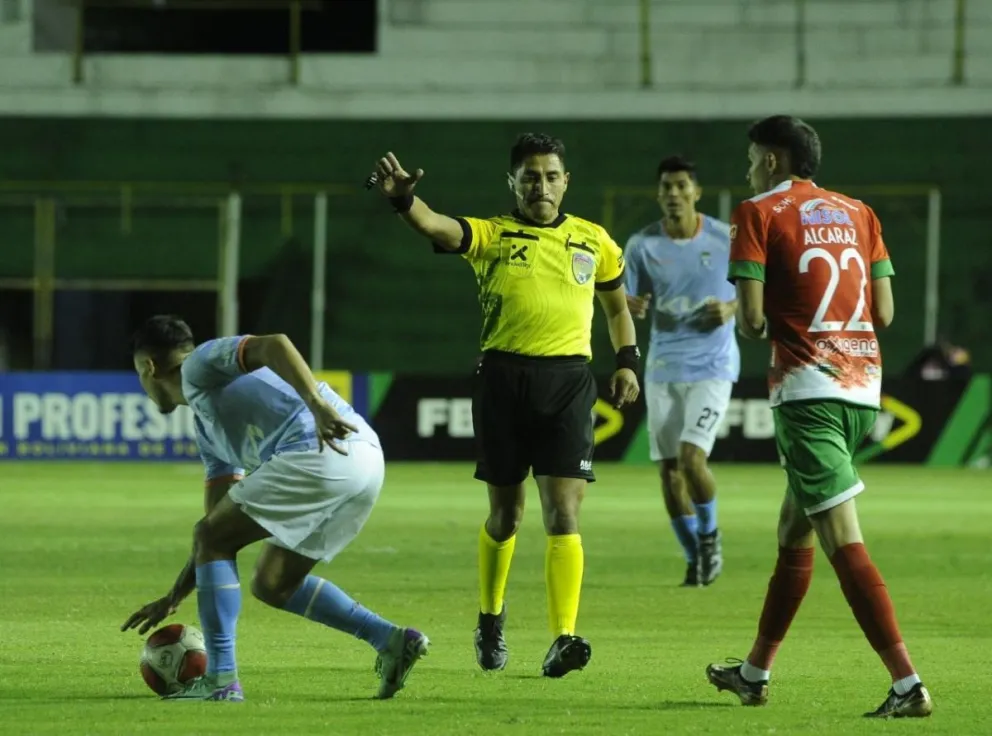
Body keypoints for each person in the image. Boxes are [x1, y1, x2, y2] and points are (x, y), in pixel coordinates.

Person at [372, 133, 640, 678]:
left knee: (564, 514)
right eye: (530, 176)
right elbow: (437, 225)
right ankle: (490, 618)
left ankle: (563, 637)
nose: (540, 184)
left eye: (550, 175)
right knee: (506, 515)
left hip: (568, 382)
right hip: (502, 380)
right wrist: (404, 200)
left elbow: (616, 309)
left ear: (566, 181)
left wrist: (629, 361)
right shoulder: (494, 234)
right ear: (513, 182)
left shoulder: (597, 242)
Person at [706, 115, 932, 718]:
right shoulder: (859, 212)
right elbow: (883, 312)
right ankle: (753, 674)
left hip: (809, 393)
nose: (750, 170)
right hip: (864, 389)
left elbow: (752, 322)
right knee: (793, 532)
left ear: (775, 161)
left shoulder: (757, 212)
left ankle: (908, 685)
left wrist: (764, 310)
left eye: (754, 158)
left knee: (843, 540)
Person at [122, 316, 428, 701]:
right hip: (362, 459)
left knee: (214, 539)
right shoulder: (209, 432)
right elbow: (212, 534)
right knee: (273, 582)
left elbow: (275, 344)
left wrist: (315, 404)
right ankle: (390, 639)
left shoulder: (199, 364)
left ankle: (221, 680)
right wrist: (175, 595)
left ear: (148, 367)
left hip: (319, 446)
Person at [623, 155, 739, 587]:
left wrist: (731, 306)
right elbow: (623, 302)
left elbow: (760, 289)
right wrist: (626, 305)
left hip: (712, 365)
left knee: (692, 459)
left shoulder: (724, 237)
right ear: (658, 195)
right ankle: (696, 561)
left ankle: (710, 538)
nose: (673, 194)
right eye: (666, 187)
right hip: (663, 367)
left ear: (696, 192)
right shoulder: (642, 245)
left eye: (681, 186)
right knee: (669, 472)